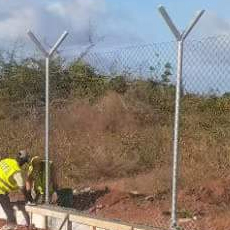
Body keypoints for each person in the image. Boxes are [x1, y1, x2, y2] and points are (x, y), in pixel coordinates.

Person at [0, 150, 33, 230]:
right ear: (23, 162)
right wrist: (29, 198)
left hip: (3, 191)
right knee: (11, 215)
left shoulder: (7, 160)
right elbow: (22, 188)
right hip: (1, 191)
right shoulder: (16, 172)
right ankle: (11, 225)